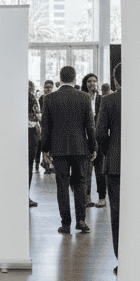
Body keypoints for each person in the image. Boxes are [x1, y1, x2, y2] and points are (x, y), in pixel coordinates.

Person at [40, 65, 96, 234]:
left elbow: (46, 127)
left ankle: (65, 224)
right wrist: (93, 147)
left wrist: (45, 150)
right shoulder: (84, 97)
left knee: (62, 185)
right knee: (80, 183)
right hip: (80, 148)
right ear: (74, 78)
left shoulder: (49, 98)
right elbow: (90, 126)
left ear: (60, 78)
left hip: (58, 149)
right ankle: (81, 221)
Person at [96, 62, 122, 273]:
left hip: (115, 164)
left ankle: (122, 259)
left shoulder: (109, 100)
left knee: (117, 213)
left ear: (115, 80)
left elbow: (100, 133)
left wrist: (109, 151)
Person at [81, 73, 107, 209]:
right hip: (85, 139)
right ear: (85, 84)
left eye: (94, 81)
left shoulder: (102, 99)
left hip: (99, 138)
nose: (92, 83)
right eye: (89, 81)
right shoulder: (82, 98)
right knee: (86, 170)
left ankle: (102, 197)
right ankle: (87, 197)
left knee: (100, 170)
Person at [27, 81, 40, 207]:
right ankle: (26, 196)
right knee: (28, 166)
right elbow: (37, 116)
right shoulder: (31, 97)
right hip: (30, 133)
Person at [39, 80, 55, 173]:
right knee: (44, 144)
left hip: (53, 125)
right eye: (46, 87)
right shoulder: (41, 98)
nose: (48, 89)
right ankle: (46, 165)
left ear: (52, 88)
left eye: (50, 87)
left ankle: (52, 165)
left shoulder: (54, 98)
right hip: (43, 124)